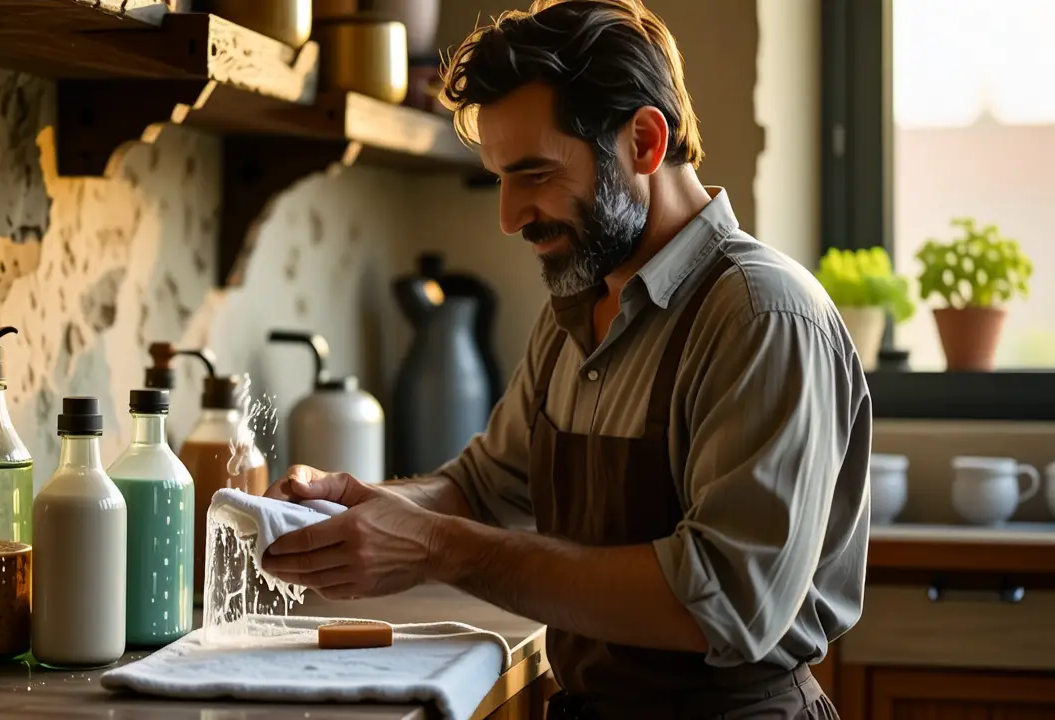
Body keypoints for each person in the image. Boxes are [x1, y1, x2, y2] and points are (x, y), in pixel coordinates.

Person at [261, 0, 871, 716]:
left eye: (535, 174)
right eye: (499, 178)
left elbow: (728, 603)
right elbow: (483, 486)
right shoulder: (578, 307)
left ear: (644, 142)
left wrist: (439, 547)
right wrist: (356, 509)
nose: (509, 215)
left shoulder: (762, 316)